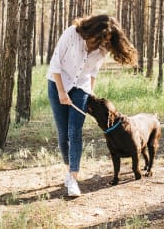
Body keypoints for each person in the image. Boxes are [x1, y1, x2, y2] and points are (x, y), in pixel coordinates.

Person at [47, 14, 137, 196]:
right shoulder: (72, 33)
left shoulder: (102, 48)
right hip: (58, 82)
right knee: (63, 134)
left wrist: (91, 92)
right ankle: (68, 169)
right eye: (101, 37)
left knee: (75, 131)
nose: (101, 42)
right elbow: (55, 64)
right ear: (93, 29)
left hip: (81, 87)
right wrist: (62, 92)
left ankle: (73, 178)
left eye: (106, 40)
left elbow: (93, 71)